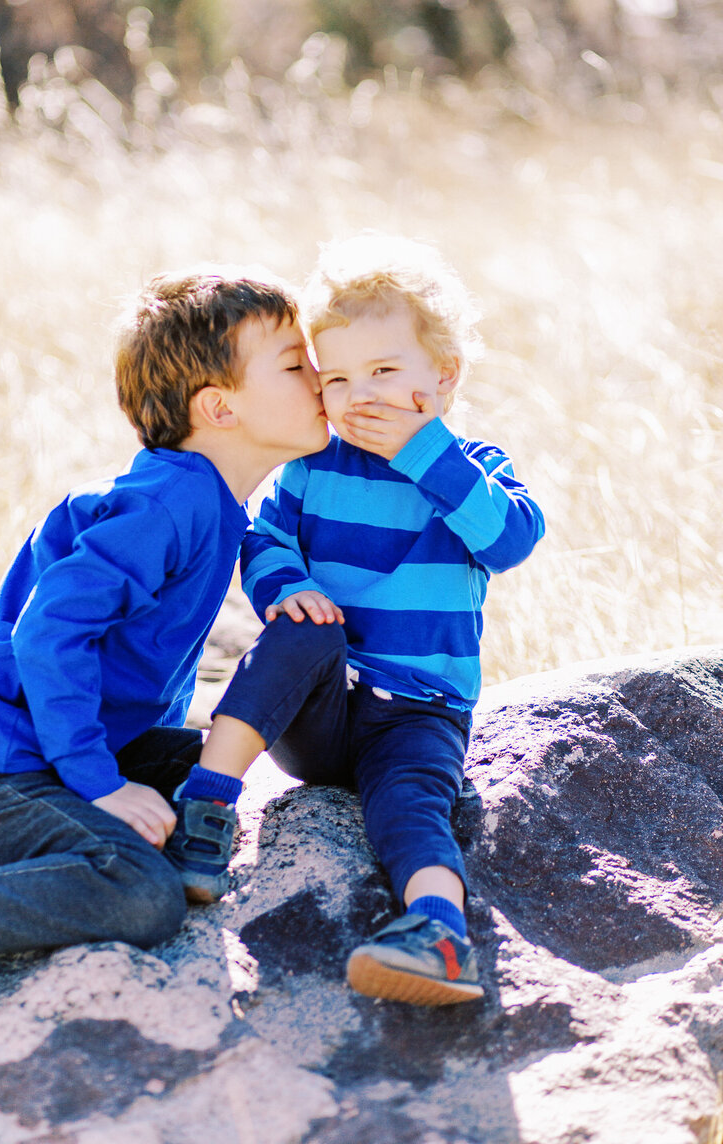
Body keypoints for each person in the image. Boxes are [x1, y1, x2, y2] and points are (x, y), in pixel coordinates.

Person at [165, 235, 546, 1006]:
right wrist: (288, 586)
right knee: (303, 631)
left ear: (442, 378)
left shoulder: (468, 467)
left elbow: (508, 538)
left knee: (412, 812)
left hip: (421, 713)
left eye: (383, 371)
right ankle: (207, 804)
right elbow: (262, 536)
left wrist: (427, 451)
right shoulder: (313, 470)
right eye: (335, 378)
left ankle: (437, 932)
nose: (357, 395)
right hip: (322, 709)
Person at [0, 269, 329, 973]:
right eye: (296, 365)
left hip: (36, 744)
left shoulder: (208, 501)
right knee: (138, 894)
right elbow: (48, 634)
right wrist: (99, 784)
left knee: (209, 766)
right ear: (219, 407)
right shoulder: (167, 504)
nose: (321, 380)